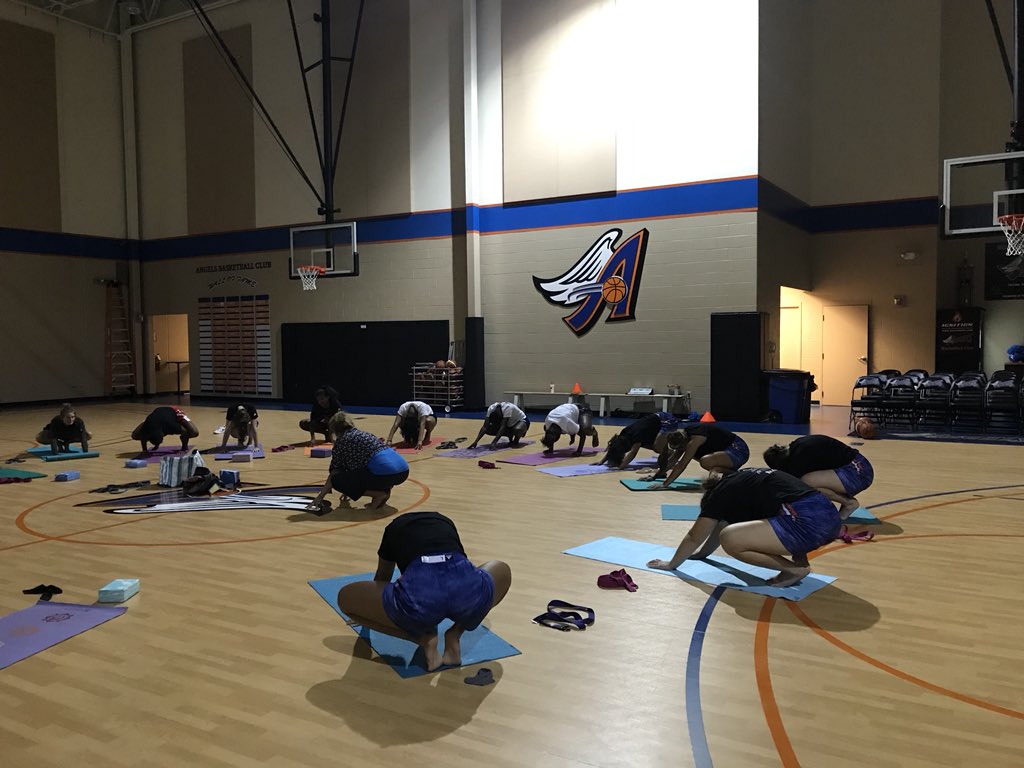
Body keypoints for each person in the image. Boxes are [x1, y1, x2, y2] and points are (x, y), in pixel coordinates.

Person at [336, 511, 512, 672]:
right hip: (464, 587)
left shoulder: (393, 528)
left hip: (422, 596)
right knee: (501, 568)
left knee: (344, 599)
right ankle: (455, 633)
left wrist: (370, 610)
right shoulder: (445, 522)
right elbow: (460, 566)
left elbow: (382, 576)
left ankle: (424, 638)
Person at [647, 467, 841, 587]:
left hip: (808, 523)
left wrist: (671, 564)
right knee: (740, 529)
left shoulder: (718, 496)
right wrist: (701, 555)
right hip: (829, 519)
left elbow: (694, 536)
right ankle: (797, 567)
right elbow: (720, 524)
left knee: (730, 539)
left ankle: (796, 571)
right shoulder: (743, 481)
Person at [310, 412, 410, 511]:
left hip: (386, 473)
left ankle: (379, 494)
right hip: (403, 471)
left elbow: (335, 472)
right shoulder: (365, 434)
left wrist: (320, 497)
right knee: (371, 470)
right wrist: (347, 491)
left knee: (336, 480)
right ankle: (383, 494)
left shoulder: (341, 441)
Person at [763, 434, 873, 518]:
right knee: (808, 482)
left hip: (860, 473)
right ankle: (846, 500)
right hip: (860, 466)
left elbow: (794, 488)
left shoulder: (798, 460)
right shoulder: (796, 446)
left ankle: (848, 503)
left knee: (806, 482)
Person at [652, 423, 749, 488]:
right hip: (726, 451)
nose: (678, 450)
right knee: (699, 457)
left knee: (705, 461)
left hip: (739, 451)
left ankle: (730, 473)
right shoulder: (684, 435)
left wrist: (665, 485)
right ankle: (721, 470)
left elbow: (681, 465)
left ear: (683, 443)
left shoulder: (694, 441)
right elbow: (673, 460)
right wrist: (656, 476)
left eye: (679, 448)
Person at [594, 411, 680, 471]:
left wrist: (621, 467)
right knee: (646, 443)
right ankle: (667, 452)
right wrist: (602, 461)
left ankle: (673, 455)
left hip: (668, 420)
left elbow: (633, 452)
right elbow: (613, 447)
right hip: (656, 423)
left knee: (656, 447)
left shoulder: (636, 435)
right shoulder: (624, 434)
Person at [131, 406, 199, 452]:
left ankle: (184, 444)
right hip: (156, 417)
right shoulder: (148, 428)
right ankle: (145, 421)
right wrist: (144, 451)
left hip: (174, 411)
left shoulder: (172, 426)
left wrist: (184, 445)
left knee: (194, 432)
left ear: (163, 434)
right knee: (135, 435)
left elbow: (185, 431)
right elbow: (143, 437)